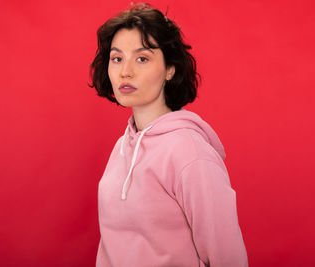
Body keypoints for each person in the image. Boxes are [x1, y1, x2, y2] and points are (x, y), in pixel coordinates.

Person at [89, 3, 248, 267]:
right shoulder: (121, 147)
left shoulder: (190, 151)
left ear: (170, 69)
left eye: (142, 58)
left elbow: (228, 257)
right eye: (117, 58)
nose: (125, 71)